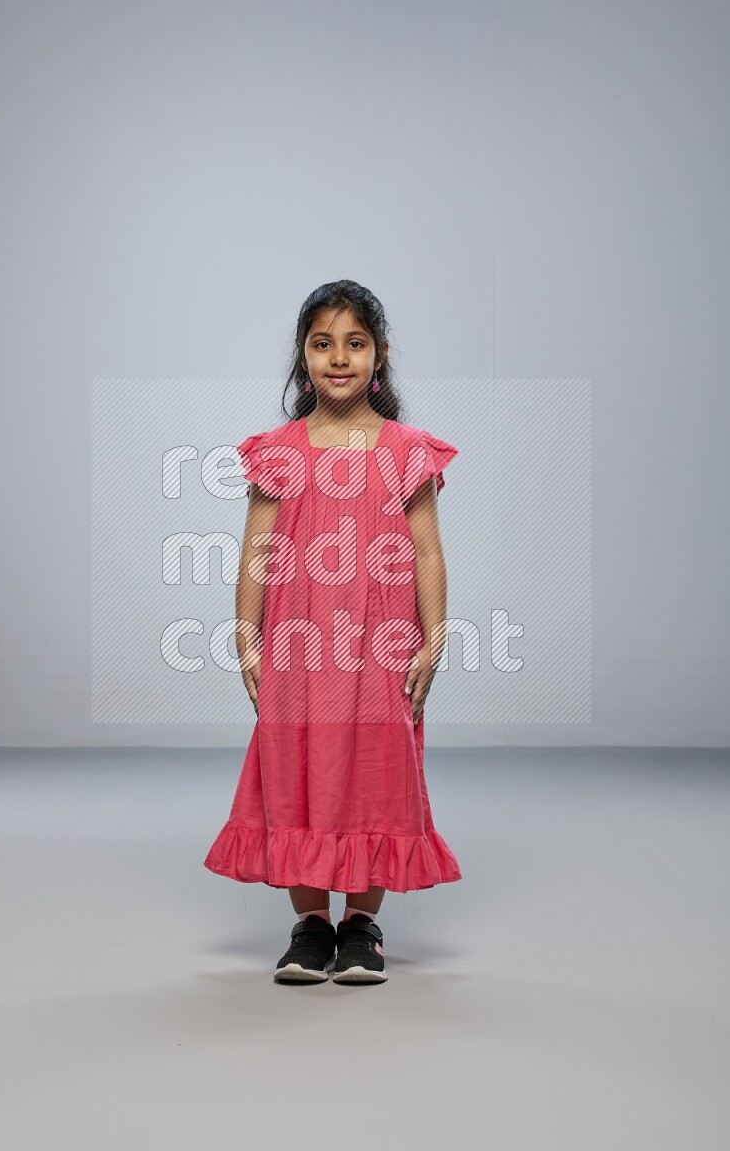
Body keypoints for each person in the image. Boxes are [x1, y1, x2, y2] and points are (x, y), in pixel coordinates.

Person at [204, 279, 462, 985]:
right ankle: (312, 925)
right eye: (323, 344)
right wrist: (247, 635)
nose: (339, 358)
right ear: (303, 357)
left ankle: (361, 926)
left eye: (355, 343)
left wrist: (433, 638)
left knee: (378, 771)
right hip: (298, 644)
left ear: (378, 358)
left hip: (381, 646)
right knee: (297, 769)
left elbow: (428, 549)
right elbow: (258, 547)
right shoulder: (278, 451)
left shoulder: (407, 449)